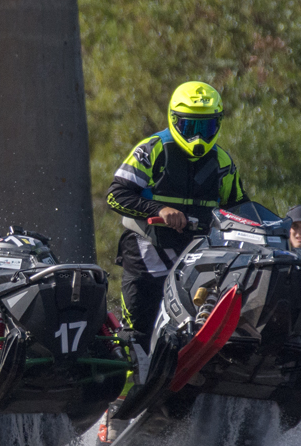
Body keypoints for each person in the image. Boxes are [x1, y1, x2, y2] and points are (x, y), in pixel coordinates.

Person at [106, 80, 248, 342]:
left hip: (200, 260)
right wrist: (160, 210)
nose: (198, 136)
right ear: (173, 120)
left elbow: (241, 211)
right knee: (139, 330)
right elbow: (116, 195)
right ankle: (134, 376)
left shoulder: (223, 162)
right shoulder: (152, 149)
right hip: (148, 253)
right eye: (189, 126)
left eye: (206, 127)